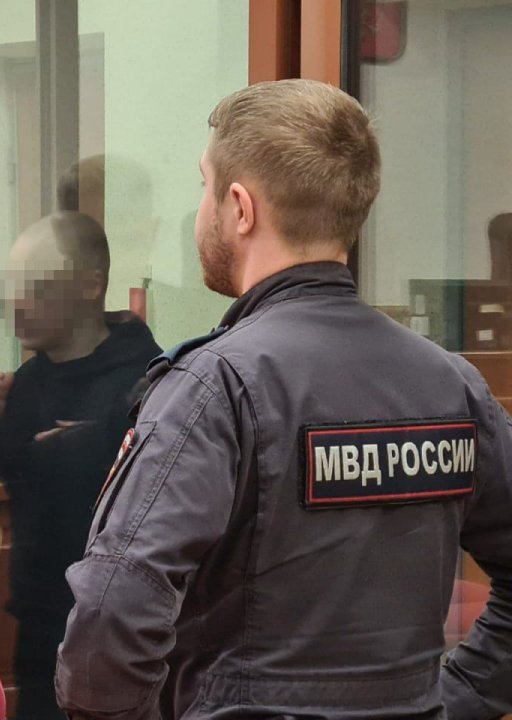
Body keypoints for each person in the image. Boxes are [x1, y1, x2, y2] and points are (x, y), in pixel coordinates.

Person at [55, 79, 512, 719]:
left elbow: (111, 622)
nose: (201, 210)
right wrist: (453, 701)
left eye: (205, 186)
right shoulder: (452, 384)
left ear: (241, 208)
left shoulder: (213, 387)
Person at [0, 211, 161, 719]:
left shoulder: (145, 383)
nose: (18, 303)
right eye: (13, 287)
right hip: (36, 621)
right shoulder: (24, 385)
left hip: (117, 629)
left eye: (36, 288)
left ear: (90, 285)